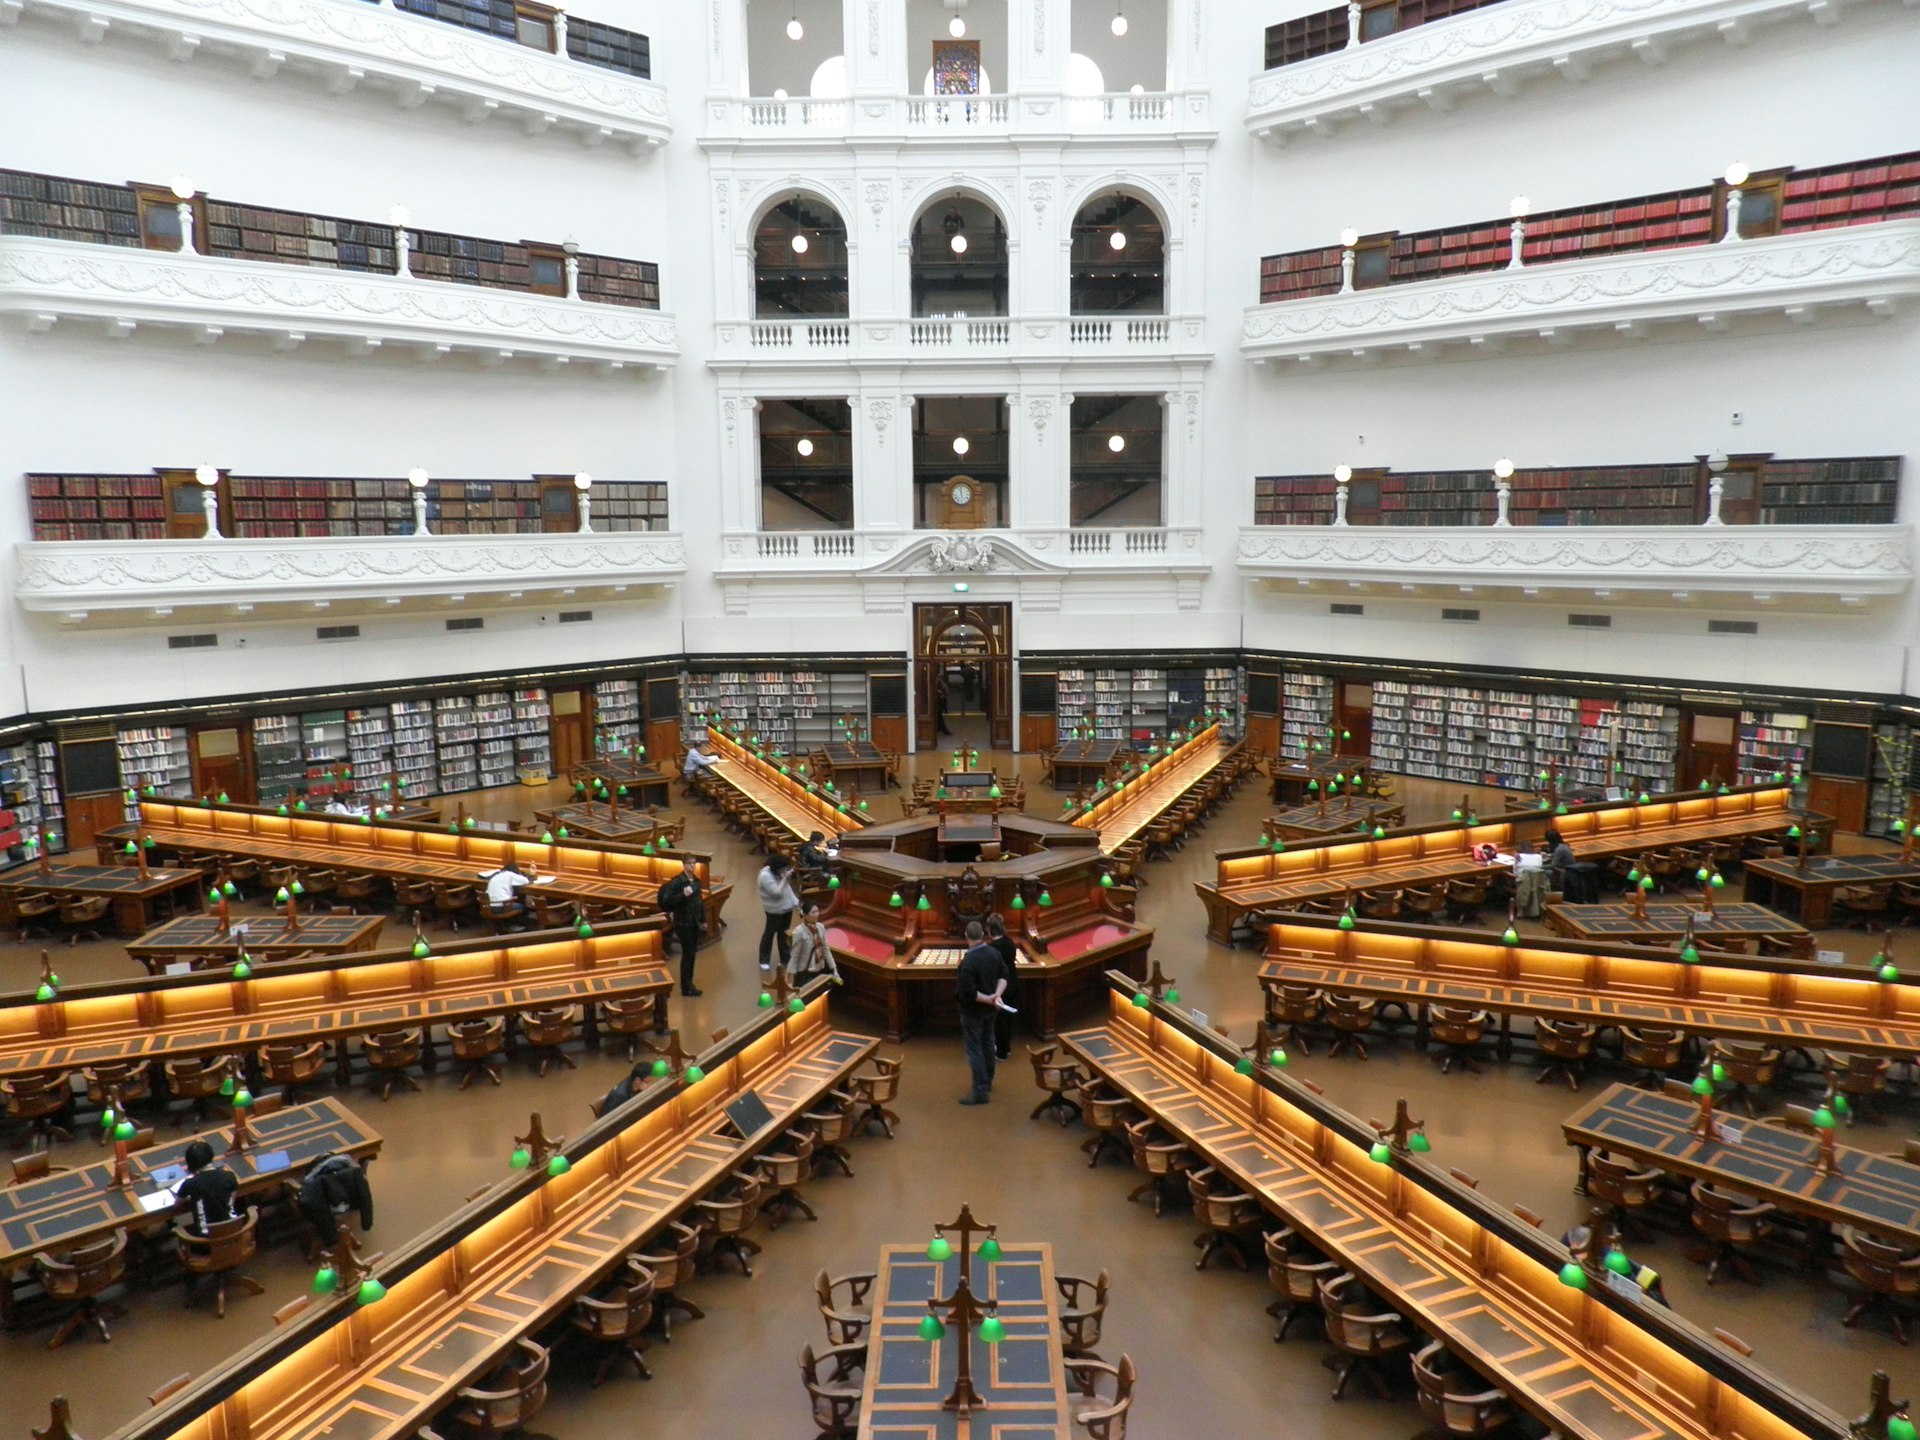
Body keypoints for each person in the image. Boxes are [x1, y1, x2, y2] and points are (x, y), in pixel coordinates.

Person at [956, 921, 1007, 1105]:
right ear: (983, 934)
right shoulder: (994, 953)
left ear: (966, 936)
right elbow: (1004, 975)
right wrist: (997, 996)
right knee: (988, 1044)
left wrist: (990, 998)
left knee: (975, 1050)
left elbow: (968, 993)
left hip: (973, 1012)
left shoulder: (968, 962)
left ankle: (980, 1090)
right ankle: (988, 1081)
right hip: (991, 1011)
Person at [296, 1153, 374, 1243]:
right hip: (350, 1201)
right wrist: (367, 1223)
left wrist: (330, 1239)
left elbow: (309, 1202)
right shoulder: (356, 1173)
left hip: (327, 1208)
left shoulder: (314, 1186)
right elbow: (365, 1198)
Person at [657, 857, 705, 996]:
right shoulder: (677, 882)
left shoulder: (696, 882)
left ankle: (689, 983)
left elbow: (699, 902)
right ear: (684, 865)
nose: (692, 866)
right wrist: (682, 895)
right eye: (689, 863)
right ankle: (686, 986)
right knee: (688, 954)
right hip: (683, 923)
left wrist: (703, 920)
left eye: (694, 863)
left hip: (695, 922)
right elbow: (666, 901)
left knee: (691, 955)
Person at [175, 1139, 240, 1234]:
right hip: (232, 1230)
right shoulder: (229, 1176)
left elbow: (177, 1205)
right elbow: (231, 1201)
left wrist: (193, 1197)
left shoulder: (190, 1183)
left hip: (206, 1237)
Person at [756, 854, 800, 972]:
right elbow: (776, 893)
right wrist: (785, 878)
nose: (785, 870)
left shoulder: (779, 872)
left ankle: (785, 958)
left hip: (786, 908)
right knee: (769, 934)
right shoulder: (765, 876)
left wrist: (795, 903)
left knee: (784, 934)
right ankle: (764, 960)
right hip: (774, 911)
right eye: (783, 868)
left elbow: (787, 888)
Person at [985, 913, 1019, 1062]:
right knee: (1008, 1019)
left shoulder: (991, 949)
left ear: (990, 930)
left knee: (1000, 1020)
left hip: (1000, 987)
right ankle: (1007, 1048)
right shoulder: (1009, 942)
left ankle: (1001, 1053)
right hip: (1013, 983)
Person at [786, 902, 841, 984]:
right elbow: (795, 955)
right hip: (806, 971)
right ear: (805, 915)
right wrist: (789, 978)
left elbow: (826, 949)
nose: (817, 914)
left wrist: (834, 969)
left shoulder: (820, 927)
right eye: (813, 912)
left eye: (817, 911)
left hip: (820, 969)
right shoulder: (799, 932)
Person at [481, 859, 534, 928]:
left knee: (512, 901)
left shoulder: (495, 876)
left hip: (488, 907)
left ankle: (504, 925)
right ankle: (512, 925)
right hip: (501, 907)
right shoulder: (510, 874)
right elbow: (525, 881)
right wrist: (522, 874)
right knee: (521, 905)